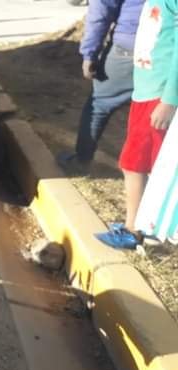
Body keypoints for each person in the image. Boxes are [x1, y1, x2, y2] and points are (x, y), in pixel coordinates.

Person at [95, 0, 178, 249]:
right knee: (141, 164)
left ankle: (134, 229)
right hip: (145, 92)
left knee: (134, 164)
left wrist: (169, 100)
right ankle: (144, 226)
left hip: (158, 95)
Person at [57, 0, 144, 172]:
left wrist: (89, 53)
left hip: (130, 48)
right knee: (154, 112)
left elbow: (100, 12)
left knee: (99, 105)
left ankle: (82, 160)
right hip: (166, 51)